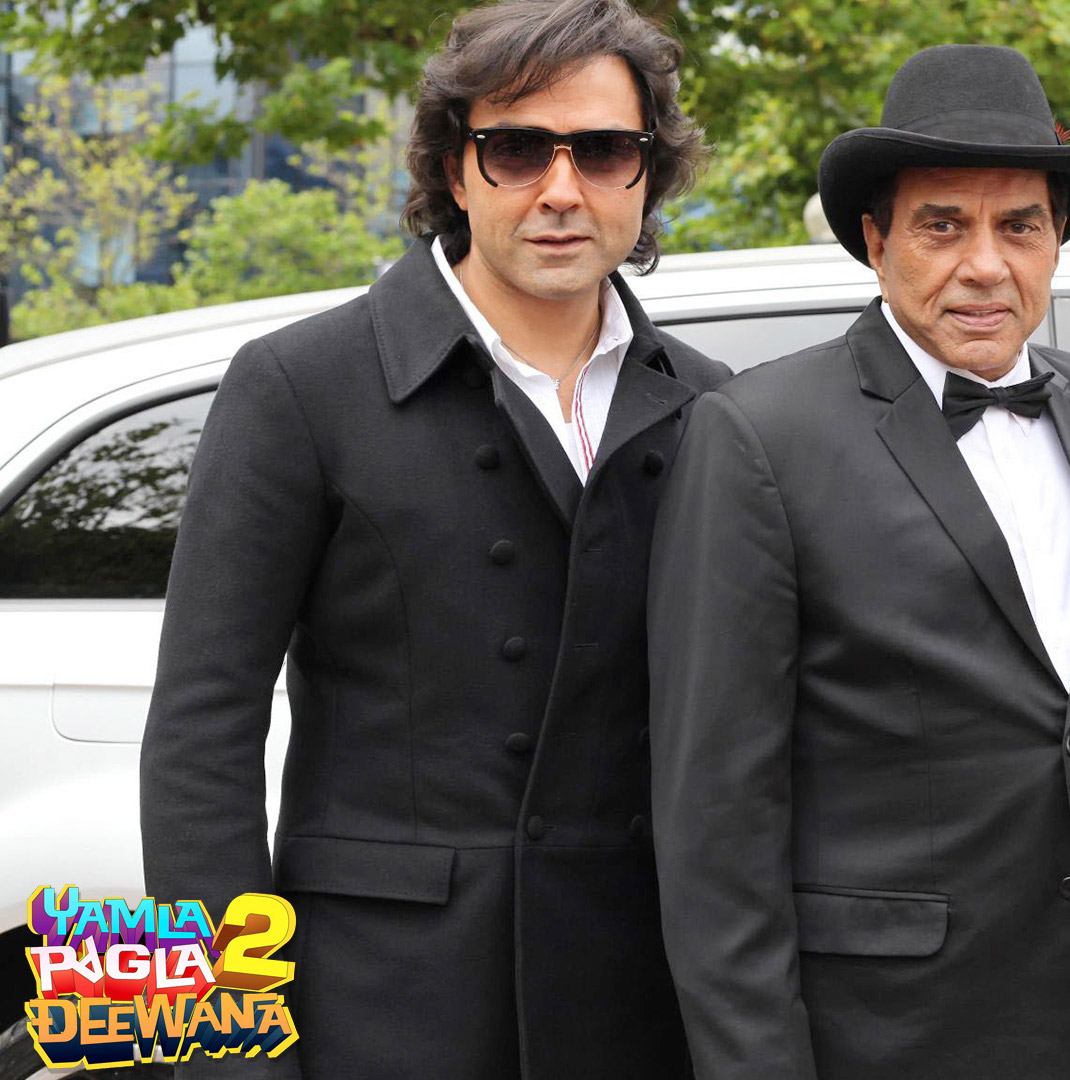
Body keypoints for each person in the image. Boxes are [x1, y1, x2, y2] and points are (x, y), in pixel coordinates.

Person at [137, 0, 728, 1075]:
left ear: (648, 174)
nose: (562, 190)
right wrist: (227, 1048)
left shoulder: (714, 405)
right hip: (378, 1004)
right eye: (518, 150)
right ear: (455, 168)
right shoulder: (301, 385)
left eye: (603, 151)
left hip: (634, 1007)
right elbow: (198, 739)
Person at [649, 44, 1070, 1080]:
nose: (986, 264)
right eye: (943, 225)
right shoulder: (759, 435)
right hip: (875, 1034)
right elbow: (716, 816)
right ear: (877, 240)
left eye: (1020, 226)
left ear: (1057, 239)